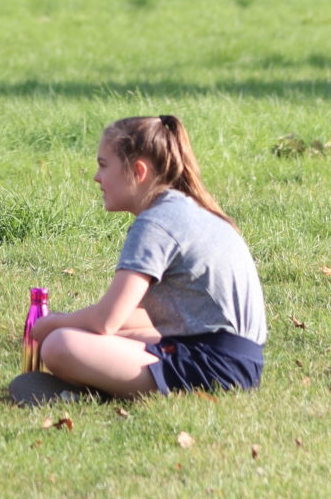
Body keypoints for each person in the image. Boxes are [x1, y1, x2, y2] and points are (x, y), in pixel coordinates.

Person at [14, 113, 266, 403]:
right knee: (115, 333)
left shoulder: (155, 224)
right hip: (236, 362)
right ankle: (96, 385)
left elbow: (106, 320)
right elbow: (137, 318)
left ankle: (90, 394)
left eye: (103, 165)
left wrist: (52, 324)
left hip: (213, 366)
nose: (97, 177)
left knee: (60, 344)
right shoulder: (185, 210)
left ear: (138, 171)